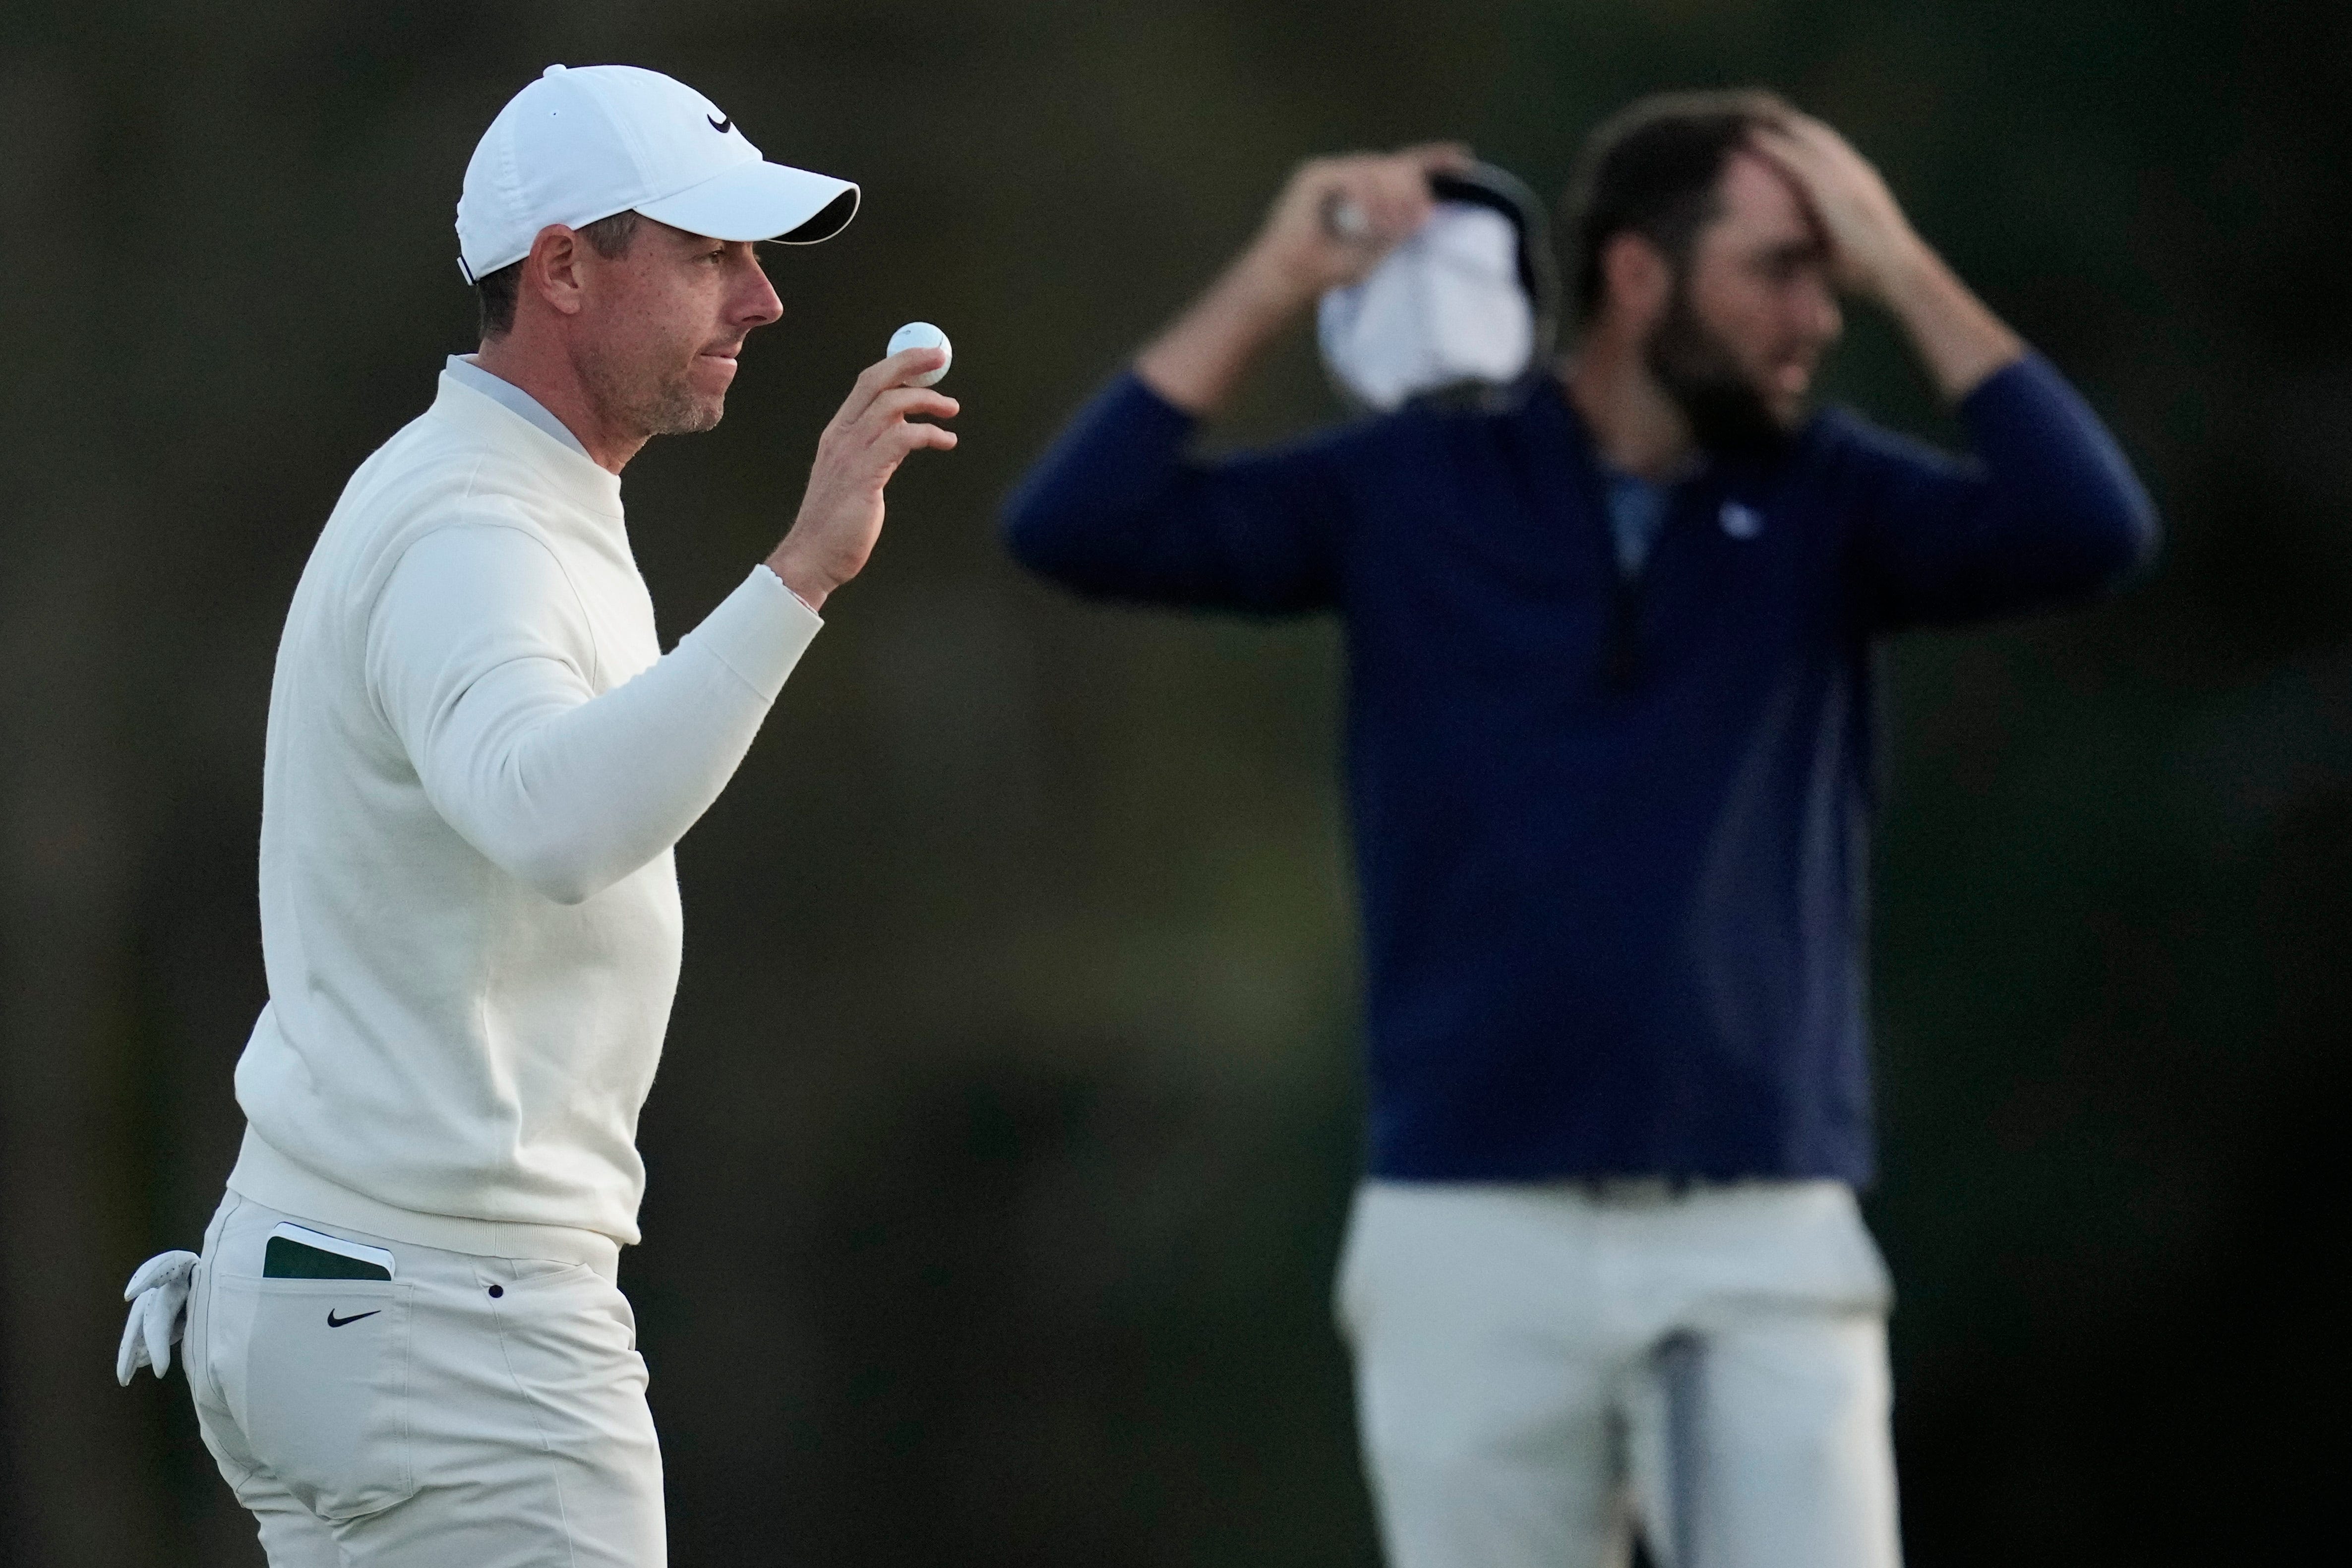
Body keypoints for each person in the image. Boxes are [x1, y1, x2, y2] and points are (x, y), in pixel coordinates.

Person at [1001, 90, 2156, 1568]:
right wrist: (1280, 277)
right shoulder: (1417, 489)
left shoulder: (1829, 499)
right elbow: (1078, 525)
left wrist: (1902, 255)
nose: (1820, 310)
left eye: (1832, 268)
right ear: (1636, 274)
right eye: (1781, 266)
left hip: (1760, 1222)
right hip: (1469, 1222)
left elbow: (2090, 527)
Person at [112, 63, 955, 1566]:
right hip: (455, 1334)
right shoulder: (473, 524)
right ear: (565, 268)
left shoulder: (503, 493)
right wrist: (803, 572)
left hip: (341, 1286)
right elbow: (552, 820)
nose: (760, 301)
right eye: (710, 256)